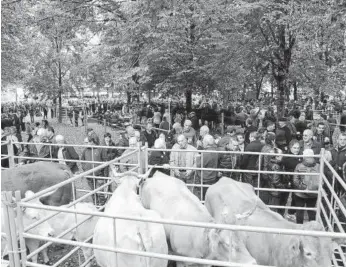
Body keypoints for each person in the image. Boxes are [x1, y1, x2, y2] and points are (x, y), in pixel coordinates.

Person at [293, 149, 320, 224]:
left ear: (304, 156)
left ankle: (299, 230)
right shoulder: (319, 166)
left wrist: (304, 187)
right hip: (313, 193)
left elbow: (295, 180)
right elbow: (321, 180)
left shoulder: (299, 165)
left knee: (299, 212)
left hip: (300, 193)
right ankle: (312, 230)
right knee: (311, 212)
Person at [80, 136, 107, 205]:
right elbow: (82, 160)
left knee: (100, 192)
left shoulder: (100, 149)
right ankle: (95, 205)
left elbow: (105, 161)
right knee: (92, 192)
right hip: (89, 175)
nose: (85, 144)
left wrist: (100, 169)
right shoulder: (85, 150)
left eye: (86, 142)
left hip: (99, 175)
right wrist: (85, 168)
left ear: (91, 142)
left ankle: (102, 207)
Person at [281, 140, 302, 221]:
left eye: (298, 148)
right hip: (287, 180)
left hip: (296, 180)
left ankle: (291, 213)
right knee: (284, 197)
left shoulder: (300, 157)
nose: (296, 150)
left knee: (295, 197)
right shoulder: (286, 157)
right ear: (290, 148)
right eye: (294, 148)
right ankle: (280, 213)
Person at [267, 148, 289, 216]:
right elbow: (276, 181)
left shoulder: (272, 163)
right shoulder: (276, 166)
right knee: (275, 211)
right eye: (281, 154)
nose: (282, 155)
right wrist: (284, 186)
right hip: (276, 191)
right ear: (277, 156)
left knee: (273, 209)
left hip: (272, 189)